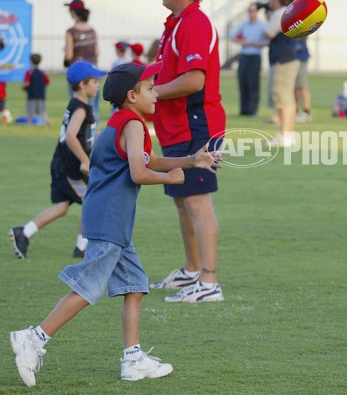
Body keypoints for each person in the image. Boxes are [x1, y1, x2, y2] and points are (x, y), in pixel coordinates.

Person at [9, 61, 222, 387]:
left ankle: (133, 359)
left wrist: (191, 161)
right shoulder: (133, 125)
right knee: (88, 287)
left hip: (113, 220)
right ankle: (34, 338)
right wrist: (172, 179)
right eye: (151, 87)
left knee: (135, 285)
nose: (156, 92)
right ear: (132, 94)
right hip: (108, 220)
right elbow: (140, 172)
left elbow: (148, 160)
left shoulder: (124, 121)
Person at [149, 0, 227, 303]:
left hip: (197, 123)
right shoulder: (176, 24)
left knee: (197, 202)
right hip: (176, 125)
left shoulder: (194, 22)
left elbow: (195, 80)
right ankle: (192, 271)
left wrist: (149, 93)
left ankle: (209, 282)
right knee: (182, 200)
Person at [9, 61, 107, 259]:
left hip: (62, 164)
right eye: (95, 81)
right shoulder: (81, 109)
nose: (98, 85)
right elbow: (71, 136)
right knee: (92, 200)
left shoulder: (79, 105)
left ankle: (24, 232)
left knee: (62, 207)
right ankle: (82, 247)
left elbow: (83, 135)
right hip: (71, 167)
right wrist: (84, 160)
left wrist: (101, 137)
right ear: (82, 84)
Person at [264, 0, 300, 147]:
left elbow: (267, 33)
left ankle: (284, 135)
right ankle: (288, 134)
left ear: (277, 0)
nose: (269, 0)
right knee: (288, 98)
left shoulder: (279, 13)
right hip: (290, 58)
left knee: (282, 97)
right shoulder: (288, 12)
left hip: (282, 60)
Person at [64, 0, 101, 124]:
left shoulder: (71, 31)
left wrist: (65, 60)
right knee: (93, 105)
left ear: (74, 12)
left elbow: (69, 55)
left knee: (77, 103)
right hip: (92, 70)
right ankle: (94, 130)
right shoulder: (92, 30)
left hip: (77, 72)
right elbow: (97, 52)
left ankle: (79, 131)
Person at [231, 2, 268, 116]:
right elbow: (233, 36)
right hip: (244, 56)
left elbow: (266, 42)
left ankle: (253, 110)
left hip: (254, 56)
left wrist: (251, 43)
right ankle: (244, 110)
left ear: (257, 12)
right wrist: (242, 41)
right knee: (243, 82)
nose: (251, 13)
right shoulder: (244, 24)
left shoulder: (262, 25)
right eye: (249, 11)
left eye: (253, 11)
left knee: (253, 84)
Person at [23, 53, 51, 127]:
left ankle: (29, 124)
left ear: (31, 61)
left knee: (30, 111)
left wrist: (24, 88)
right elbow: (47, 82)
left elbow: (26, 84)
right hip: (41, 94)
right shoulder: (43, 73)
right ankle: (46, 122)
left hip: (31, 95)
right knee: (42, 110)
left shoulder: (29, 72)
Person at [295, 38, 312, 122]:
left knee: (302, 86)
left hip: (301, 57)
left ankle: (306, 112)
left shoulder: (300, 25)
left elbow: (302, 36)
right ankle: (295, 112)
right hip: (292, 58)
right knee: (295, 87)